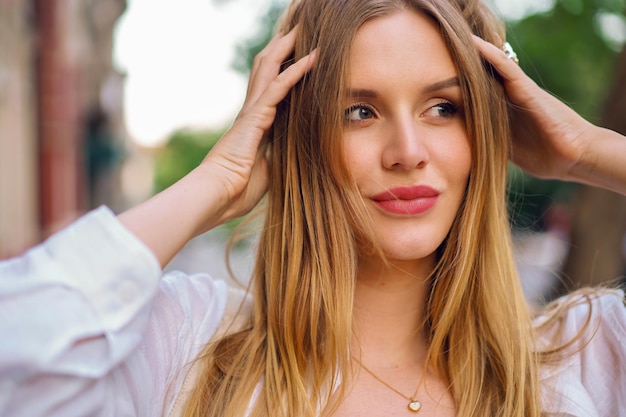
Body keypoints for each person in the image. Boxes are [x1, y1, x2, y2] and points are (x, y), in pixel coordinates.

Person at [1, 0, 625, 416]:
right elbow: (18, 345)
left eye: (444, 108)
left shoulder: (589, 359)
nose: (407, 152)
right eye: (359, 111)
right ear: (301, 138)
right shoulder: (189, 351)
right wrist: (215, 181)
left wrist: (588, 152)